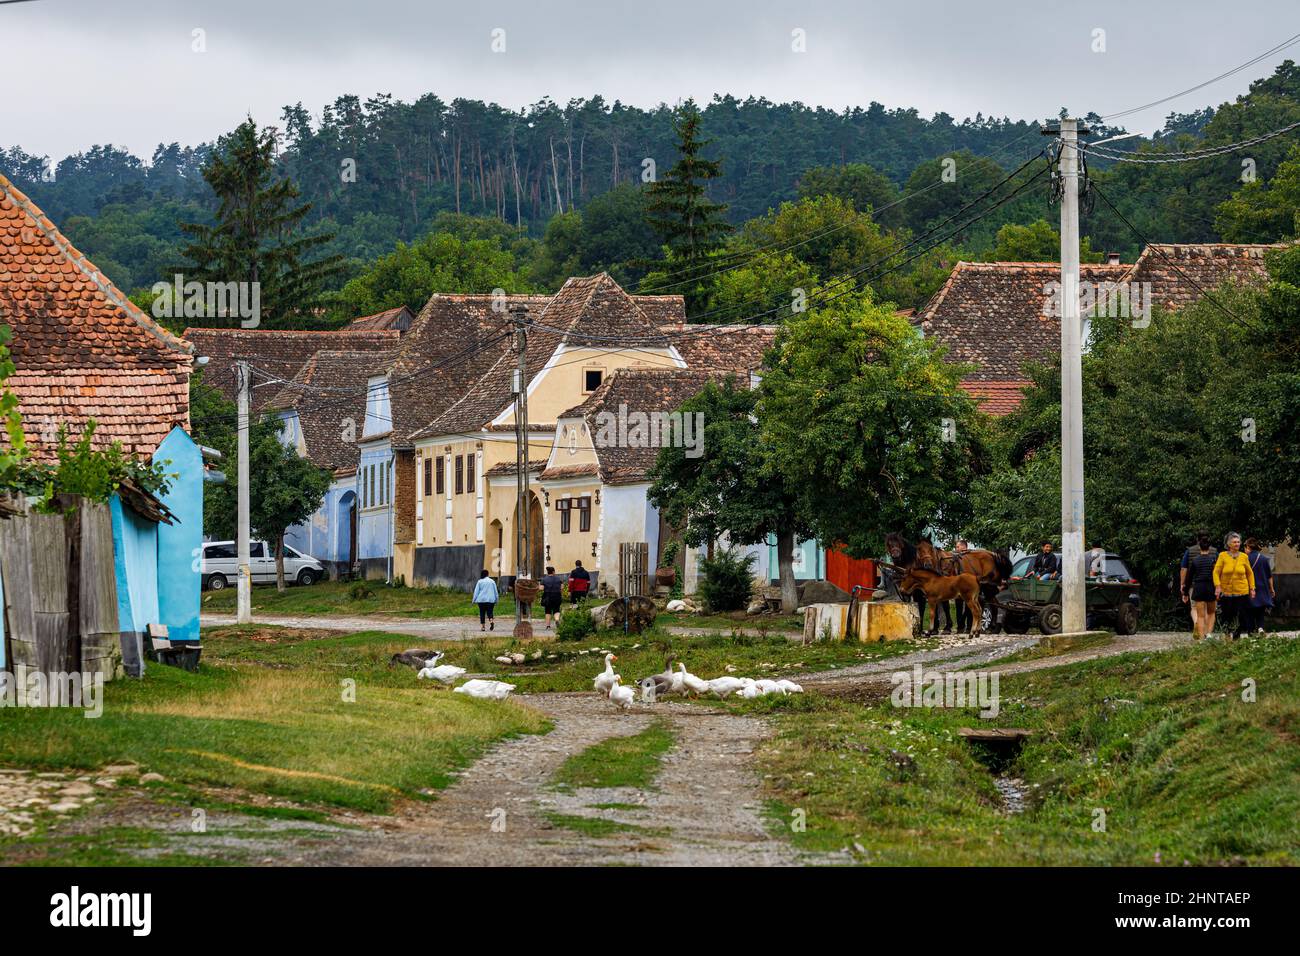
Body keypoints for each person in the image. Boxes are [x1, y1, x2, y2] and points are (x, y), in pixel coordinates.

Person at [1213, 532, 1256, 640]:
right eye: (1234, 542)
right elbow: (1216, 572)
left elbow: (1250, 573)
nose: (1237, 544)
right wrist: (1218, 586)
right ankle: (1227, 636)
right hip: (1226, 592)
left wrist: (1252, 588)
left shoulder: (1244, 557)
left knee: (1242, 615)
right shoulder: (1222, 556)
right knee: (1227, 615)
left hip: (1242, 591)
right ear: (1228, 544)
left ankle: (1237, 637)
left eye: (1238, 542)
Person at [1182, 532, 1218, 640]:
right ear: (1209, 546)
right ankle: (1209, 634)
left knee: (1200, 615)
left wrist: (1185, 592)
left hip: (1198, 588)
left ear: (1199, 546)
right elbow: (1217, 574)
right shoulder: (1213, 560)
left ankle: (1201, 639)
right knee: (1211, 612)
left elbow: (1188, 578)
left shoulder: (1195, 561)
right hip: (1211, 587)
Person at [1244, 538, 1275, 635]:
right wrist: (1272, 589)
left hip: (1250, 588)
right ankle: (1261, 627)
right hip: (1263, 587)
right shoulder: (1264, 559)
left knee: (1250, 611)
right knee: (1261, 609)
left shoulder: (1245, 559)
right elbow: (1269, 576)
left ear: (1248, 547)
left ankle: (1251, 632)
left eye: (1245, 547)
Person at [540, 565, 565, 630]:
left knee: (548, 611)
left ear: (547, 572)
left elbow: (541, 588)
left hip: (547, 596)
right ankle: (556, 619)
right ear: (553, 572)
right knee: (556, 609)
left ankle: (548, 626)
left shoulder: (544, 579)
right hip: (557, 596)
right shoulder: (559, 579)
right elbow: (562, 587)